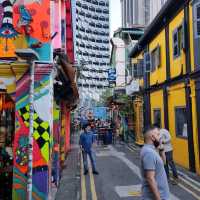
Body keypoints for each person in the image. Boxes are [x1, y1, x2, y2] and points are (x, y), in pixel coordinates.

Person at [140, 125, 170, 200]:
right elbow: (150, 178)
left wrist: (161, 149)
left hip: (161, 195)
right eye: (158, 134)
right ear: (153, 137)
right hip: (155, 197)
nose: (160, 137)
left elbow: (163, 163)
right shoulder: (149, 153)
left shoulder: (152, 150)